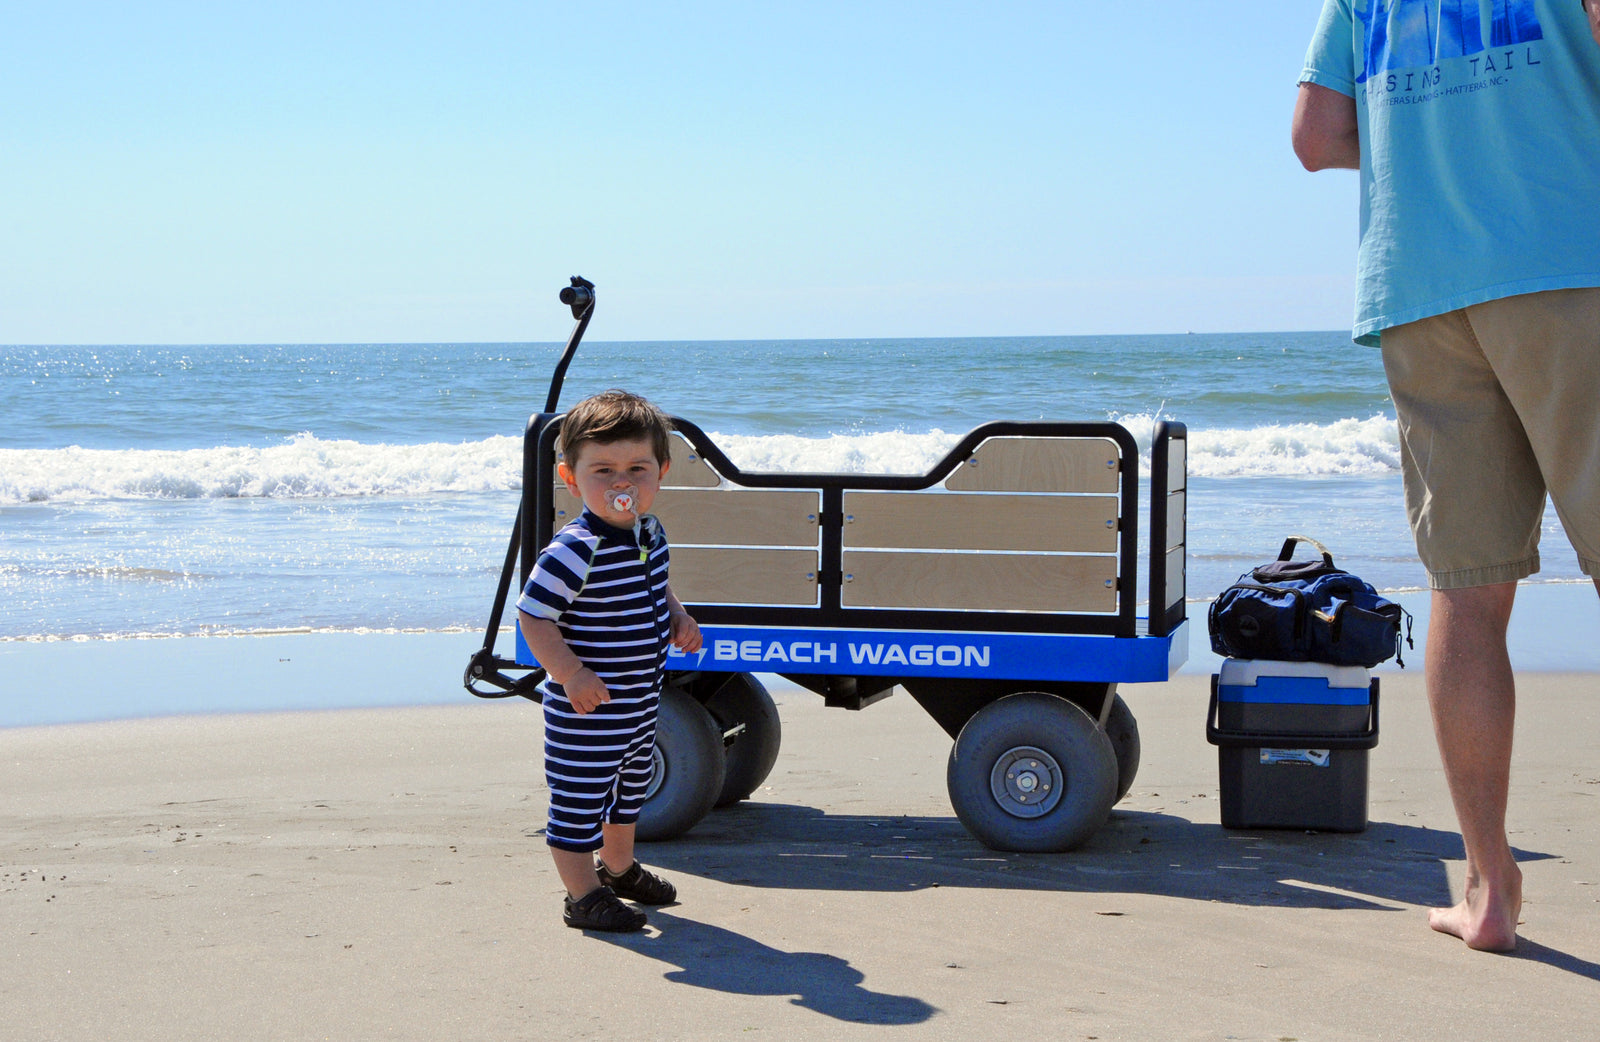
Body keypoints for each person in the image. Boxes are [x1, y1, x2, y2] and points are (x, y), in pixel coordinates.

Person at [1293, 0, 1600, 952]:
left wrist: (1426, 146)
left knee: (1467, 592)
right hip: (1570, 255)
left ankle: (1489, 892)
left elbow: (1314, 136)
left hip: (1421, 284)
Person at [517, 389, 702, 933]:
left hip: (641, 698)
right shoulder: (574, 549)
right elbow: (533, 617)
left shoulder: (649, 531)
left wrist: (677, 615)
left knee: (629, 787)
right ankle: (582, 896)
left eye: (636, 468)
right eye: (603, 470)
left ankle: (618, 867)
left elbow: (656, 585)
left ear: (661, 471)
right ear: (571, 478)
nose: (622, 483)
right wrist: (570, 674)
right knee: (579, 798)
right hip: (588, 708)